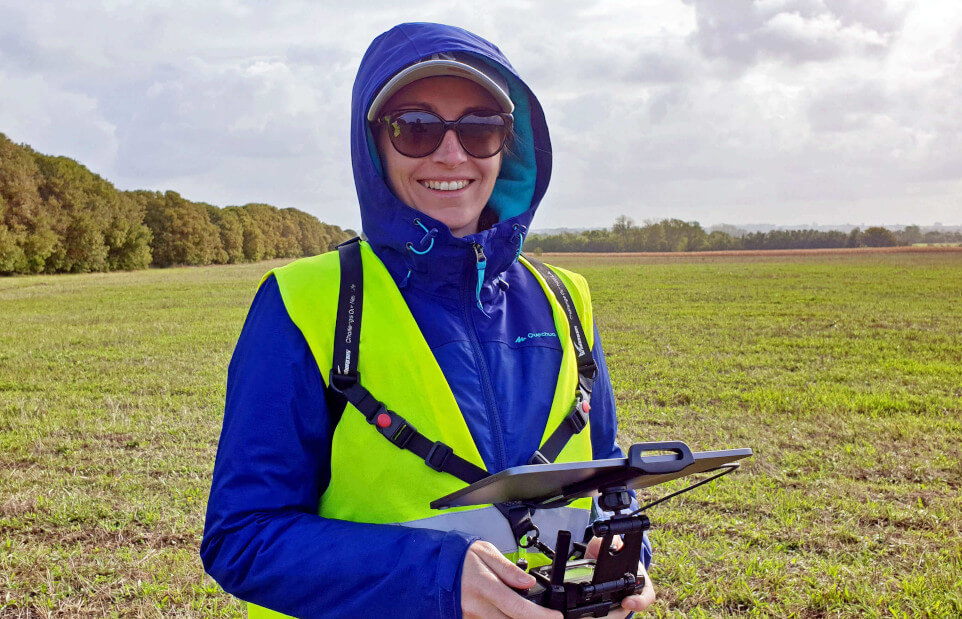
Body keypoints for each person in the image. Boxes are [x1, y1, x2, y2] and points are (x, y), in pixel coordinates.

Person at [201, 22, 655, 618]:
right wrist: (438, 577)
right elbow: (243, 538)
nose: (451, 154)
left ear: (509, 146)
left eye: (479, 128)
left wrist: (627, 558)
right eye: (415, 128)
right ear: (374, 146)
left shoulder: (566, 297)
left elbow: (603, 487)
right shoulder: (303, 301)